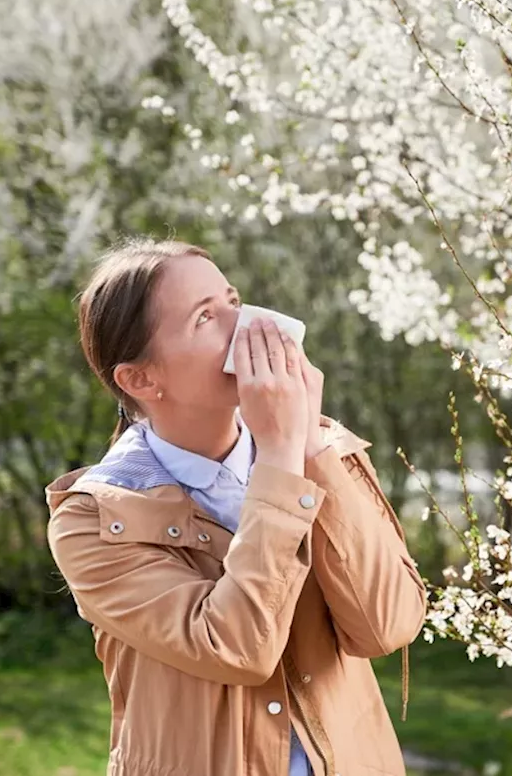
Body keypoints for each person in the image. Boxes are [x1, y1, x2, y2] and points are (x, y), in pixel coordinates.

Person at [45, 237, 426, 776]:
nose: (247, 325)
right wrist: (279, 458)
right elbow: (236, 648)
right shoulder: (93, 522)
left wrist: (308, 450)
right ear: (140, 379)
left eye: (233, 300)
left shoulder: (319, 450)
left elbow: (387, 625)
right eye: (205, 317)